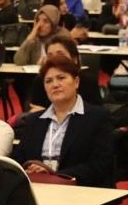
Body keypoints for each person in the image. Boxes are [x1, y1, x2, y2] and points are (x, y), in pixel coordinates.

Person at [9, 52, 115, 189]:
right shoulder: (34, 120)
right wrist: (28, 170)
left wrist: (54, 175)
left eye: (61, 78)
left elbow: (99, 165)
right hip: (38, 189)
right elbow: (18, 158)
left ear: (76, 82)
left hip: (80, 190)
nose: (55, 85)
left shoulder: (97, 117)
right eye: (48, 81)